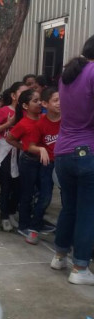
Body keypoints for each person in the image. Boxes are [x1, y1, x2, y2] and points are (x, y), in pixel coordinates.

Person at [50, 35, 94, 285]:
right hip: (87, 151)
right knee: (87, 211)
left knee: (70, 207)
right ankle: (80, 268)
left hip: (63, 151)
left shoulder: (69, 75)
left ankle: (59, 255)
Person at [6, 89, 44, 244]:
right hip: (28, 161)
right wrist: (24, 147)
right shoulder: (23, 123)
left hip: (43, 161)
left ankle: (36, 223)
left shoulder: (44, 119)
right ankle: (23, 225)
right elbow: (10, 139)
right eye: (35, 101)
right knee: (27, 194)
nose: (40, 103)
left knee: (42, 193)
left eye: (40, 100)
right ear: (25, 106)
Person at [0, 82, 28, 231]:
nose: (26, 96)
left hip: (20, 151)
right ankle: (4, 216)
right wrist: (9, 123)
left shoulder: (27, 112)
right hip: (5, 152)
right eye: (22, 92)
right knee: (6, 185)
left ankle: (12, 212)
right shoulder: (5, 110)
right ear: (13, 95)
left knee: (18, 186)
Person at [26, 87, 60, 236]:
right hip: (47, 165)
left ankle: (67, 233)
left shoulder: (68, 120)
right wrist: (41, 149)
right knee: (45, 197)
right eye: (56, 100)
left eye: (62, 100)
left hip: (65, 164)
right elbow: (30, 146)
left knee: (68, 200)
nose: (60, 103)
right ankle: (34, 226)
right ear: (45, 104)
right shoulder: (40, 124)